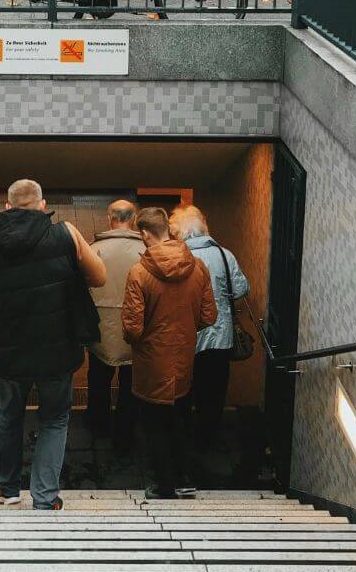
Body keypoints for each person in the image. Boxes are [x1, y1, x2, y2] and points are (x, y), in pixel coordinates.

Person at [0, 178, 107, 510]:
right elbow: (99, 276)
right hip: (57, 348)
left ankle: (8, 490)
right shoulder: (66, 234)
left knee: (8, 415)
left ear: (7, 207)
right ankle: (44, 496)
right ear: (43, 205)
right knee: (55, 419)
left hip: (8, 350)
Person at [122, 207, 217, 500]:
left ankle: (163, 485)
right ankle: (184, 478)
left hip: (151, 362)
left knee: (155, 424)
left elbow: (133, 329)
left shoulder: (139, 273)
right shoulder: (198, 267)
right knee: (181, 419)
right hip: (184, 358)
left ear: (144, 234)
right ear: (168, 230)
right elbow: (209, 316)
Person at [170, 205, 249, 445]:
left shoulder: (176, 256)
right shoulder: (225, 255)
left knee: (183, 388)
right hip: (219, 335)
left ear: (179, 231)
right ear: (203, 227)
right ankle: (207, 438)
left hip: (185, 336)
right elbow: (241, 289)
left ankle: (182, 436)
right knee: (214, 390)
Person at [86, 199, 143, 450]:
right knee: (131, 383)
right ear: (134, 219)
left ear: (109, 218)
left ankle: (98, 423)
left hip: (100, 328)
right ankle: (124, 433)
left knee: (99, 377)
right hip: (136, 330)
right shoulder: (146, 249)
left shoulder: (94, 249)